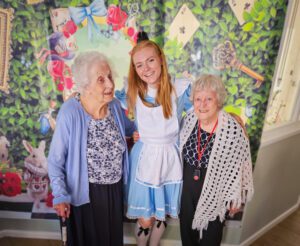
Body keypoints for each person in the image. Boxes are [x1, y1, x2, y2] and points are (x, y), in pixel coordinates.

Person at [48, 51, 135, 246]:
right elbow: (55, 160)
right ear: (85, 86)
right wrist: (60, 195)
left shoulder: (114, 107)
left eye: (110, 77)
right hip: (85, 196)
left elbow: (132, 128)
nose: (111, 85)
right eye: (101, 80)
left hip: (114, 191)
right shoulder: (70, 112)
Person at [115, 33, 193, 246]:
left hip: (169, 158)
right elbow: (115, 113)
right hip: (144, 158)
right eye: (139, 65)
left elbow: (199, 117)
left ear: (161, 58)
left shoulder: (181, 89)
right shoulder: (132, 91)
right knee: (146, 218)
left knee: (161, 213)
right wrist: (132, 132)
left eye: (150, 60)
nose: (146, 68)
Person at [179, 74, 254, 246]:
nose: (202, 105)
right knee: (187, 235)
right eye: (198, 99)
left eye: (208, 99)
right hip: (187, 189)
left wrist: (236, 196)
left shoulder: (232, 129)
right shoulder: (189, 120)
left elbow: (241, 162)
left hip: (216, 190)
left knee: (211, 239)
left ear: (218, 101)